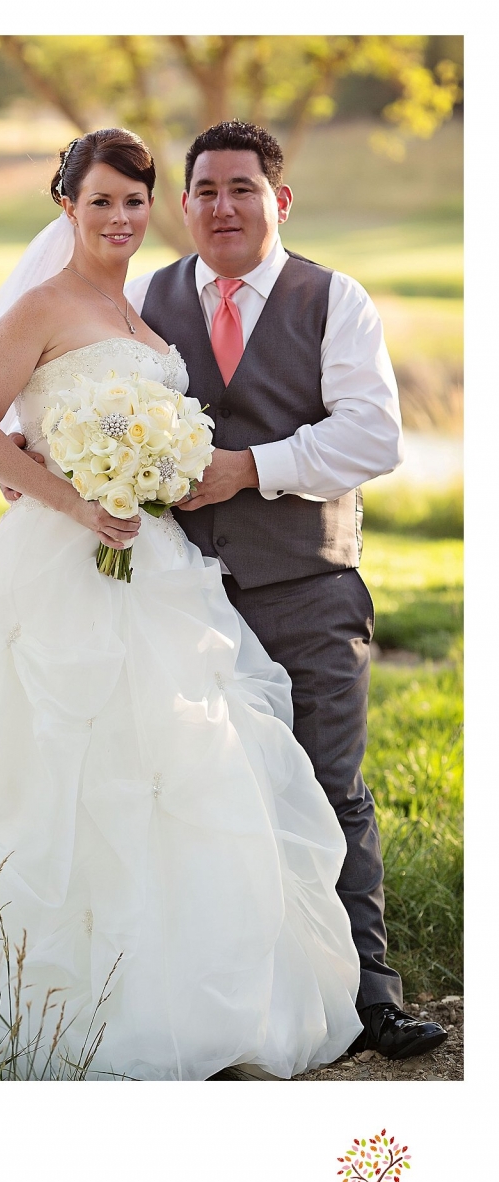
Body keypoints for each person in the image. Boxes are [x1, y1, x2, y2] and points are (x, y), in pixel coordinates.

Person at [0, 127, 366, 1082]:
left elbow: (61, 428)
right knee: (29, 762)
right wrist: (75, 496)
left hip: (152, 567)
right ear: (68, 207)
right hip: (56, 563)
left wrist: (147, 474)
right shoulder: (40, 306)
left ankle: (188, 986)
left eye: (135, 202)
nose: (121, 219)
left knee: (174, 769)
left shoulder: (140, 317)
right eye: (101, 203)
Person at [124, 120, 447, 1061]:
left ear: (280, 200)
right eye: (205, 191)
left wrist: (250, 468)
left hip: (307, 588)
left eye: (242, 188)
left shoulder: (332, 299)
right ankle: (224, 1004)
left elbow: (373, 437)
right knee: (192, 792)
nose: (222, 206)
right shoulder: (149, 297)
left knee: (328, 786)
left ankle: (371, 999)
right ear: (183, 206)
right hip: (179, 594)